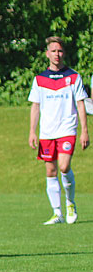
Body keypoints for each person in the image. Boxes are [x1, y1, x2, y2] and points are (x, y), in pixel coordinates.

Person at [29, 36, 89, 225]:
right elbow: (35, 106)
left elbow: (81, 105)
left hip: (67, 129)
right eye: (53, 51)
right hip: (47, 132)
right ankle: (57, 213)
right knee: (51, 171)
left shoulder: (73, 77)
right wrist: (32, 131)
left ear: (64, 53)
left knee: (64, 166)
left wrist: (85, 131)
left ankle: (70, 203)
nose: (57, 54)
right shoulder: (39, 79)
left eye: (60, 51)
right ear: (47, 54)